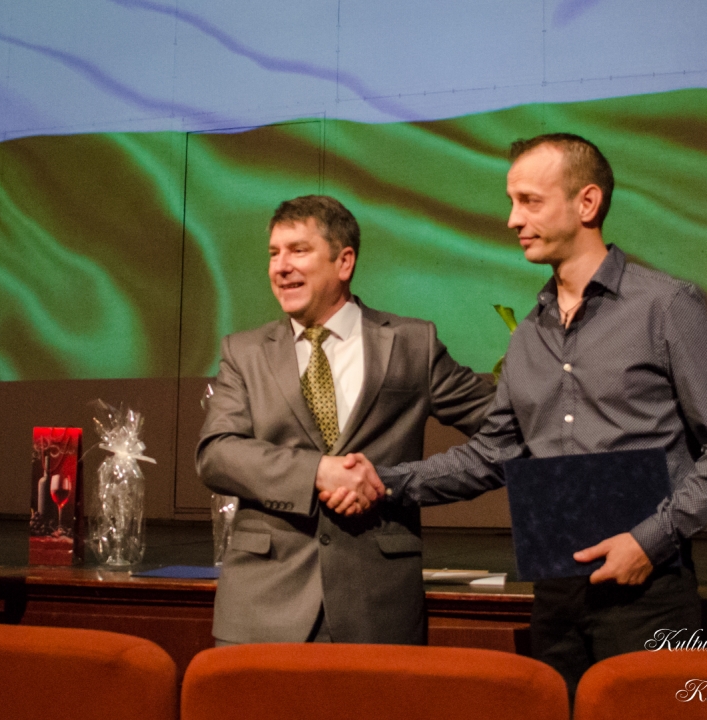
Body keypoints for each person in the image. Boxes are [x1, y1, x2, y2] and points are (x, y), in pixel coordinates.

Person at [327, 134, 707, 696]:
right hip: (556, 594)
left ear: (587, 203)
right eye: (512, 202)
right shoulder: (531, 333)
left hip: (649, 592)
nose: (513, 219)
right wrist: (382, 481)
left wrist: (650, 540)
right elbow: (492, 455)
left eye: (530, 201)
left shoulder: (666, 306)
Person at [196, 195, 495, 645]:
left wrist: (400, 482)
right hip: (263, 607)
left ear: (344, 261)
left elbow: (502, 431)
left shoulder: (412, 344)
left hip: (377, 606)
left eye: (298, 250)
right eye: (274, 254)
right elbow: (216, 454)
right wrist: (317, 472)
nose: (281, 267)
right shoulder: (245, 351)